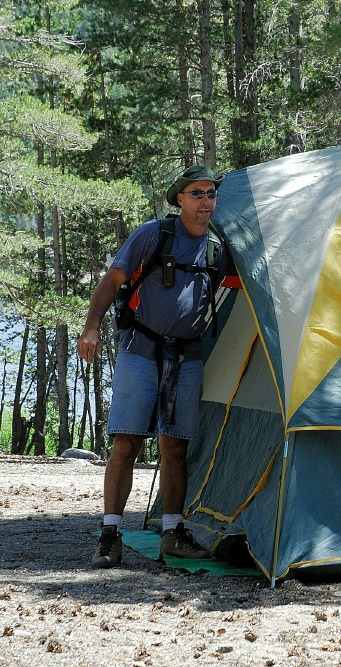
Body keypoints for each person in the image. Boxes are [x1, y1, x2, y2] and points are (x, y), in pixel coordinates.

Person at [77, 165, 236, 568]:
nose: (206, 202)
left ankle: (172, 534)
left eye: (211, 194)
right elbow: (113, 280)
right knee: (126, 443)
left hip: (187, 354)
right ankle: (110, 535)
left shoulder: (218, 249)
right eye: (197, 194)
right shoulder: (153, 234)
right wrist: (91, 327)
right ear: (179, 199)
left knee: (176, 447)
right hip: (140, 348)